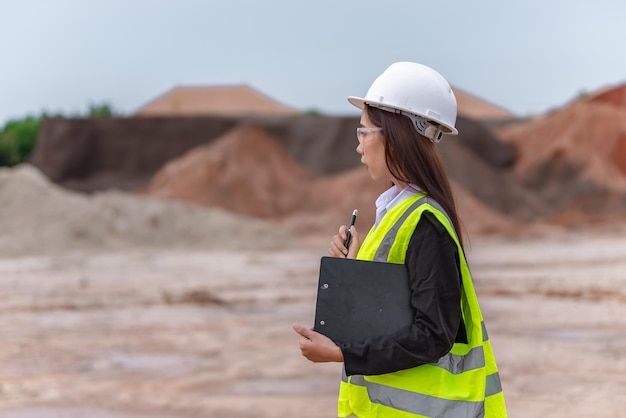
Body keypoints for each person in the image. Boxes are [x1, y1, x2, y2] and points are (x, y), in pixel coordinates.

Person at [292, 62, 507, 417]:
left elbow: (433, 333)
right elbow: (392, 313)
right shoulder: (395, 214)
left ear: (394, 135)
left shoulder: (426, 223)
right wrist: (354, 272)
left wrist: (343, 353)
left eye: (363, 133)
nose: (359, 146)